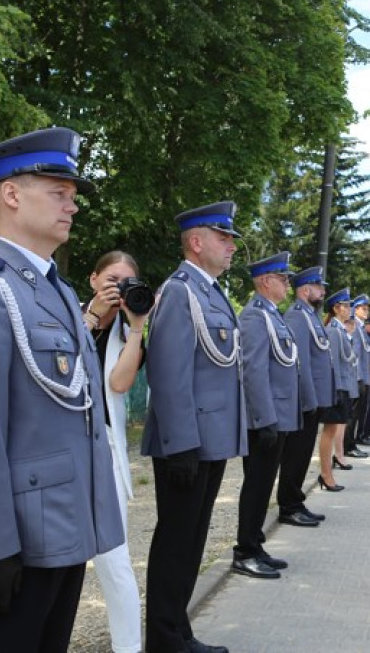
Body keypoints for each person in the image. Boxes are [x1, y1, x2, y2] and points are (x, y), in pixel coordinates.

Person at [0, 127, 124, 653]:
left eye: (74, 196)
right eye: (59, 192)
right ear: (12, 194)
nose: (72, 206)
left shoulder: (56, 292)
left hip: (62, 532)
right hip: (17, 546)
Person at [142, 201, 246, 653]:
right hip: (188, 443)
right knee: (176, 542)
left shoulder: (210, 292)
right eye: (223, 238)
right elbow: (168, 374)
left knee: (192, 542)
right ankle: (164, 640)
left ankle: (179, 631)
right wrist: (181, 443)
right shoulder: (180, 291)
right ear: (196, 242)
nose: (231, 247)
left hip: (210, 440)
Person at [84, 250, 152, 653]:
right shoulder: (64, 312)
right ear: (93, 279)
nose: (119, 289)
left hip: (104, 450)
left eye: (127, 282)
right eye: (112, 280)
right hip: (59, 447)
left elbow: (120, 383)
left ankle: (128, 648)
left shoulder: (130, 331)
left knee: (115, 558)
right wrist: (92, 313)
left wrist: (137, 326)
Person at [232, 251, 302, 579]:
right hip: (266, 418)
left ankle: (255, 544)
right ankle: (244, 550)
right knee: (257, 485)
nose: (288, 284)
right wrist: (264, 418)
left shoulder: (272, 314)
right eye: (283, 278)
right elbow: (253, 370)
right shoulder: (254, 317)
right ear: (265, 281)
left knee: (264, 484)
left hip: (278, 415)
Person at [279, 266, 334, 525]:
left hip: (313, 400)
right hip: (304, 401)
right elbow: (300, 363)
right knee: (295, 456)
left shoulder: (309, 315)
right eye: (319, 287)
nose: (323, 291)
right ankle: (289, 506)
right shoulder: (297, 316)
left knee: (302, 455)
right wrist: (309, 400)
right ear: (305, 290)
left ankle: (296, 501)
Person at [321, 287, 357, 487]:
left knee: (334, 429)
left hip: (342, 385)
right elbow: (333, 363)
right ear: (336, 308)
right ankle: (326, 475)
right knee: (330, 431)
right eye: (346, 306)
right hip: (337, 386)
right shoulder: (334, 331)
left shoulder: (340, 330)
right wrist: (334, 390)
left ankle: (328, 475)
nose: (349, 309)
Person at [347, 294, 370, 454]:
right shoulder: (354, 327)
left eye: (367, 309)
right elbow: (354, 354)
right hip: (357, 376)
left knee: (358, 413)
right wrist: (358, 377)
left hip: (362, 376)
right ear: (355, 310)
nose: (366, 312)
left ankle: (353, 441)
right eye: (363, 309)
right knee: (352, 414)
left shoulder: (361, 328)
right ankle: (348, 446)